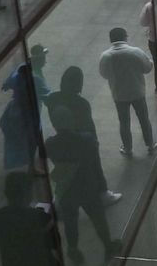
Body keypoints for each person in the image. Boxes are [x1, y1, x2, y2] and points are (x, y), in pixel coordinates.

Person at [45, 107, 121, 265]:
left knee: (70, 221)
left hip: (66, 189)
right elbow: (94, 163)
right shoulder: (86, 139)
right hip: (87, 186)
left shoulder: (51, 143)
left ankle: (73, 249)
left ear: (54, 124)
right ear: (71, 120)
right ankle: (108, 246)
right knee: (98, 217)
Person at [44, 66, 122, 206]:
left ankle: (60, 200)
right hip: (80, 139)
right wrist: (94, 141)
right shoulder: (81, 103)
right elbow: (88, 125)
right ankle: (102, 193)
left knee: (64, 169)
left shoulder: (53, 98)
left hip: (62, 137)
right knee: (94, 166)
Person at [99, 27, 156, 157]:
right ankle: (150, 144)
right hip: (137, 92)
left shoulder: (106, 56)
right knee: (144, 119)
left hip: (119, 94)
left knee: (124, 121)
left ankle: (128, 148)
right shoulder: (135, 52)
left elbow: (104, 74)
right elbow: (147, 68)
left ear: (111, 39)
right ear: (125, 37)